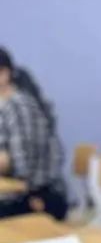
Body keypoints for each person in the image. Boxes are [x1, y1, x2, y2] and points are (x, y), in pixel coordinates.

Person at [0, 48, 66, 220]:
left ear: (4, 74)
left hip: (36, 198)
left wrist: (5, 160)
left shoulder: (17, 107)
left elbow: (20, 166)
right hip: (17, 196)